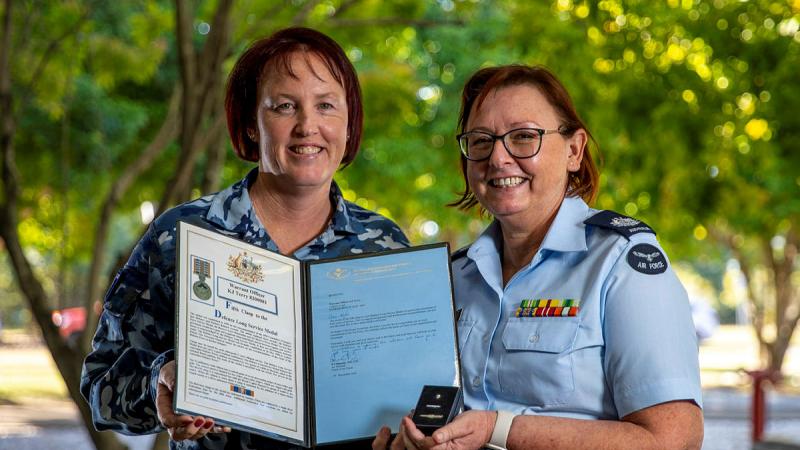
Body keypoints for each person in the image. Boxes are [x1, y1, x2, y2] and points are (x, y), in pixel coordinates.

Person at [81, 27, 408, 450]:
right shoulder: (180, 235)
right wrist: (160, 382)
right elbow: (100, 390)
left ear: (348, 124)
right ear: (252, 123)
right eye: (284, 106)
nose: (308, 125)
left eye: (326, 105)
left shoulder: (386, 246)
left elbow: (410, 394)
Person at [373, 65, 703, 450]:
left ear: (573, 150)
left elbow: (673, 439)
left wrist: (499, 429)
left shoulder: (621, 263)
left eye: (524, 137)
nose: (498, 157)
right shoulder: (453, 278)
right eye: (481, 141)